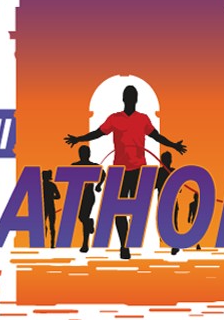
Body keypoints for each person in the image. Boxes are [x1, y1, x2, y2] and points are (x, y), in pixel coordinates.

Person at [66, 84, 184, 260]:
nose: (130, 99)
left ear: (136, 99)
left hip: (139, 171)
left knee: (140, 210)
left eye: (132, 96)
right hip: (120, 172)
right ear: (124, 99)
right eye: (128, 96)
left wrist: (173, 145)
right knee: (118, 210)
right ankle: (124, 246)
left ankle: (170, 239)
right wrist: (79, 139)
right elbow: (98, 133)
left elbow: (156, 136)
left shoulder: (143, 119)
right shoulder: (114, 118)